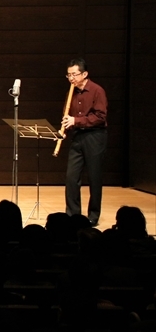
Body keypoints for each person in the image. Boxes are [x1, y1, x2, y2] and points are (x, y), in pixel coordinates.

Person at [61, 58, 108, 227]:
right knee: (71, 177)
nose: (71, 78)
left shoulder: (97, 91)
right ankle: (73, 214)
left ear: (85, 74)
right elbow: (68, 116)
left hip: (95, 136)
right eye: (69, 75)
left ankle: (93, 216)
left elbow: (100, 117)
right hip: (78, 136)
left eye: (74, 74)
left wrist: (76, 121)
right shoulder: (71, 92)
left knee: (94, 177)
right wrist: (64, 131)